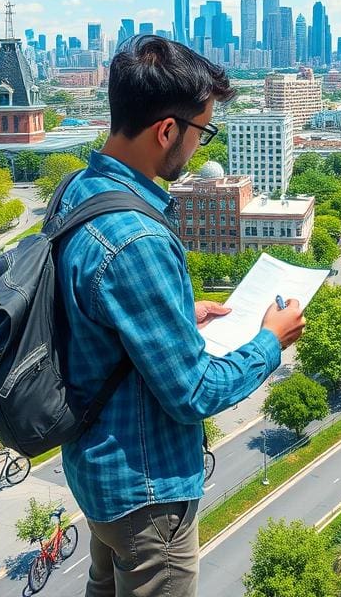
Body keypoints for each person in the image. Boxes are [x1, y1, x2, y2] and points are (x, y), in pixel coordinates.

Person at [55, 36, 306, 597]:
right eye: (203, 132)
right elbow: (193, 392)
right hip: (147, 492)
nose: (199, 146)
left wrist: (172, 317)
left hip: (99, 471)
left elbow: (87, 312)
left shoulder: (79, 190)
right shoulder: (137, 236)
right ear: (167, 130)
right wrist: (270, 340)